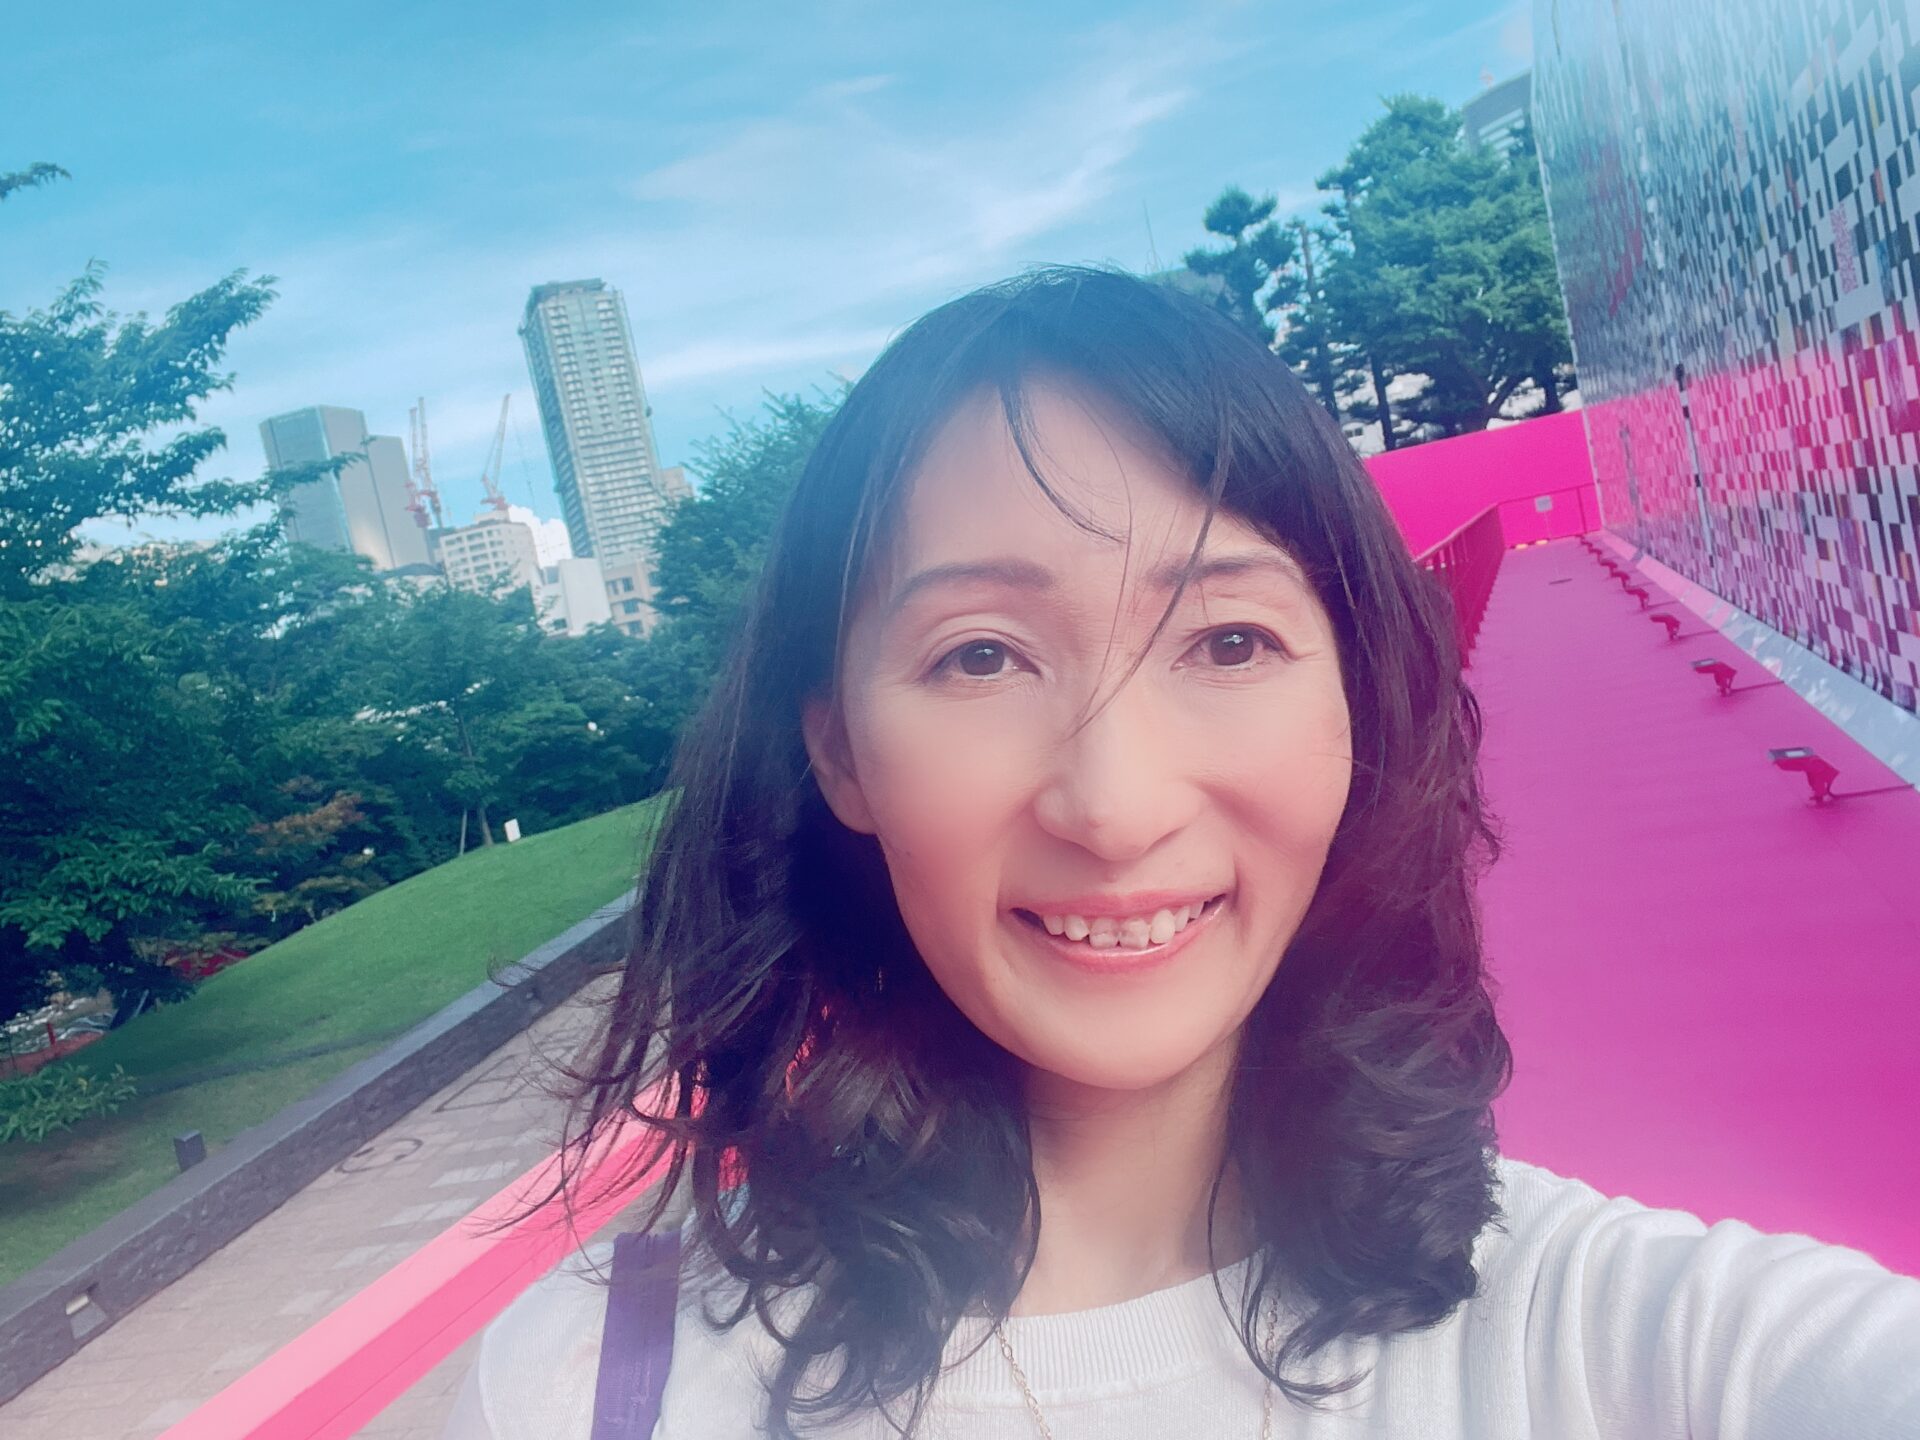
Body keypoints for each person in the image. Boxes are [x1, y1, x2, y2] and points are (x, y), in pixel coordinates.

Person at [441, 266, 1920, 1439]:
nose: (1116, 805)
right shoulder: (590, 1383)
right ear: (839, 753)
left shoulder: (1619, 1343)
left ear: (1357, 696)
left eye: (1227, 641)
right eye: (980, 657)